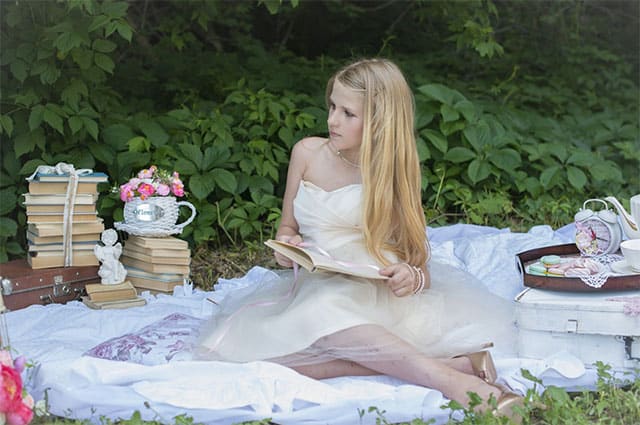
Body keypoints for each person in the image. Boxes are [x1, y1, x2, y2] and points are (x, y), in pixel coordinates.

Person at [196, 58, 523, 421]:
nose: (332, 120)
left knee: (318, 317)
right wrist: (289, 251)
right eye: (332, 106)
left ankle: (456, 384)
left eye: (348, 113)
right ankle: (453, 366)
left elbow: (419, 266)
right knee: (260, 359)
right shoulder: (307, 153)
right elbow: (286, 231)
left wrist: (409, 276)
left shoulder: (394, 173)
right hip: (318, 281)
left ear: (380, 121)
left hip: (372, 289)